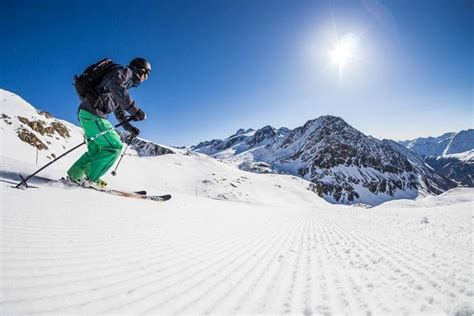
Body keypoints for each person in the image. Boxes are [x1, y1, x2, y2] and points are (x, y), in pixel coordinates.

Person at [67, 57, 151, 190]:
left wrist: (130, 128)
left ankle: (74, 176)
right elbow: (116, 86)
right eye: (147, 74)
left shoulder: (118, 84)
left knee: (96, 150)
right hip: (93, 115)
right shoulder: (125, 72)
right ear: (141, 70)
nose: (146, 78)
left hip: (86, 114)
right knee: (114, 147)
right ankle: (91, 180)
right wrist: (135, 110)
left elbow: (119, 113)